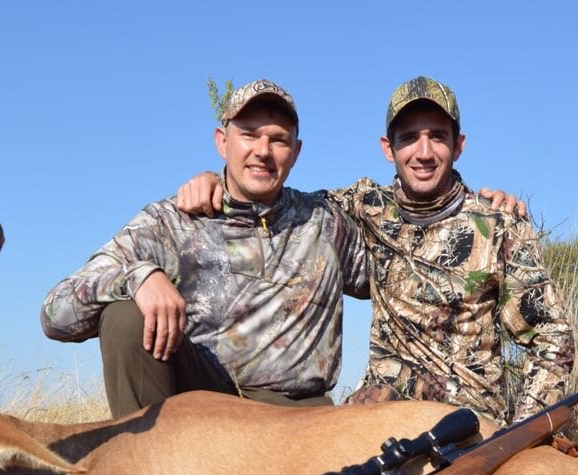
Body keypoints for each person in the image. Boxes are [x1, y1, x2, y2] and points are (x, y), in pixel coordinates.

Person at [179, 77, 574, 425]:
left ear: (459, 146)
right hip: (373, 419)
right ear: (389, 148)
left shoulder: (500, 224)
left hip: (466, 425)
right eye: (409, 138)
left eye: (438, 136)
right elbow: (276, 197)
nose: (423, 152)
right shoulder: (365, 206)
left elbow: (553, 340)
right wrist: (218, 180)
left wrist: (521, 432)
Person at [41, 80, 369, 417]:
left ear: (296, 152)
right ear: (222, 142)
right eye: (249, 134)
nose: (263, 151)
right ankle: (149, 461)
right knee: (125, 316)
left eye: (278, 139)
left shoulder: (326, 221)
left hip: (300, 416)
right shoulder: (169, 222)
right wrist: (138, 276)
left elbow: (392, 272)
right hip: (200, 408)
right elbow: (55, 315)